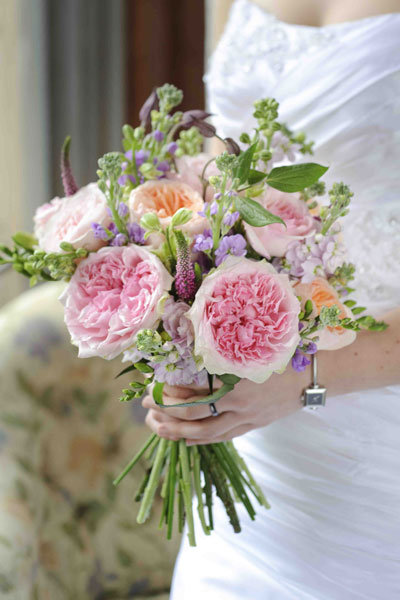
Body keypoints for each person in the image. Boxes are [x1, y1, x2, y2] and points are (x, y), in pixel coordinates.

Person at [143, 1, 400, 598]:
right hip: (256, 427)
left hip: (378, 441)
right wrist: (177, 325)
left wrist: (305, 377)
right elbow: (221, 168)